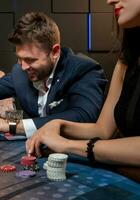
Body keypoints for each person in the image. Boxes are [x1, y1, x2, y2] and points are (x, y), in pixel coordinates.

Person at [0, 11, 107, 137]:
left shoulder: (84, 69)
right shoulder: (20, 71)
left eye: (30, 60)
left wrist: (9, 126)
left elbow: (83, 116)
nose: (23, 67)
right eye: (19, 59)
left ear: (55, 52)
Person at [26, 0, 140, 166]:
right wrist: (59, 124)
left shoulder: (83, 68)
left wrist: (67, 145)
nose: (109, 1)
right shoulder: (126, 61)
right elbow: (103, 130)